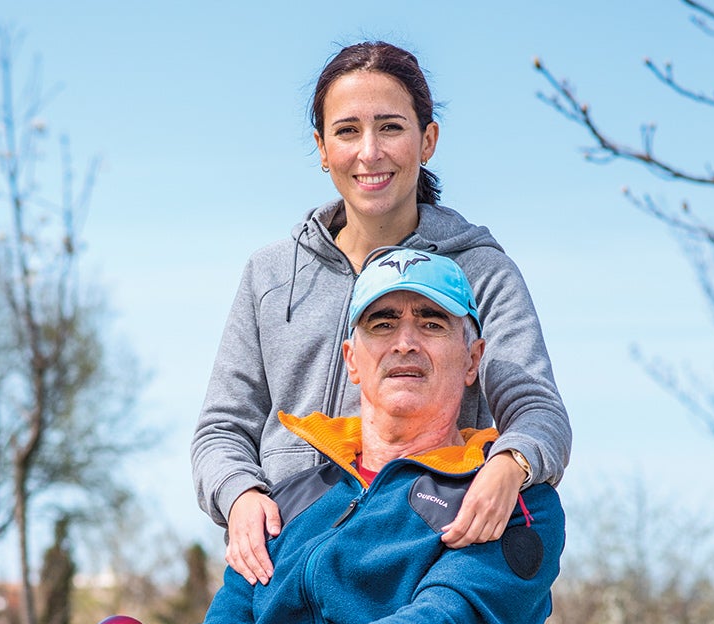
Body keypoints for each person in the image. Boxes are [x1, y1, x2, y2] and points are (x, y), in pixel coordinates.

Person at [127, 252, 566, 624]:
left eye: (432, 322)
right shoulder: (287, 503)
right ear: (352, 361)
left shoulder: (504, 501)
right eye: (383, 323)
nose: (406, 341)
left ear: (472, 360)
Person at [191, 40, 571, 586]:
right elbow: (221, 429)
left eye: (390, 127)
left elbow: (538, 411)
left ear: (428, 140)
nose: (369, 152)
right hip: (278, 566)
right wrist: (241, 495)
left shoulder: (482, 273)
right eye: (347, 131)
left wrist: (508, 470)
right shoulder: (269, 276)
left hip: (413, 565)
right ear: (322, 149)